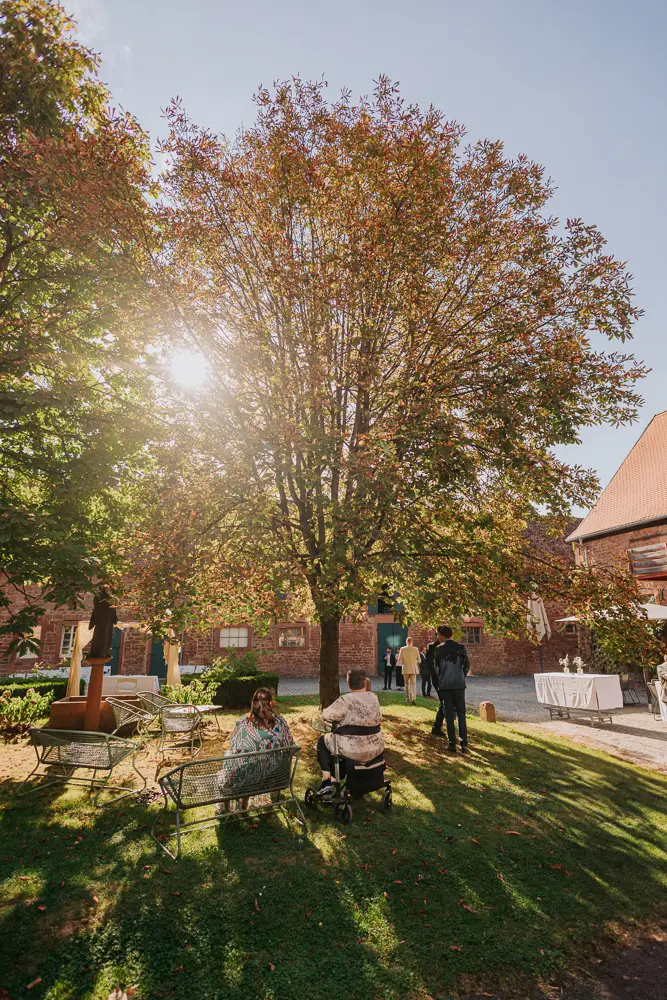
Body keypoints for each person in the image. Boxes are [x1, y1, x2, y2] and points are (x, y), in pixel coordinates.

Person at [217, 687, 293, 812]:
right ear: (271, 703)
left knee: (232, 757)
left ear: (253, 704)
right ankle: (246, 800)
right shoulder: (281, 722)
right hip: (276, 779)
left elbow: (234, 747)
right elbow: (290, 746)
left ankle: (230, 804)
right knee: (256, 763)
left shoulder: (244, 722)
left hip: (245, 783)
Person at [317, 669, 384, 794]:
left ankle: (327, 780)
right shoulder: (374, 697)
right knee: (337, 742)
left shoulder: (345, 700)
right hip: (375, 746)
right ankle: (335, 777)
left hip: (353, 748)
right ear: (365, 682)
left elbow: (326, 715)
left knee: (323, 741)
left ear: (348, 683)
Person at [430, 625, 470, 753]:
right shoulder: (460, 648)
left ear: (441, 636)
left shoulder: (439, 649)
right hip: (459, 685)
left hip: (445, 686)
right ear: (451, 635)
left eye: (438, 635)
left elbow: (437, 669)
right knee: (461, 714)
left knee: (448, 714)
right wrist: (461, 676)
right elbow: (467, 666)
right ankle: (463, 743)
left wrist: (442, 678)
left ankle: (452, 743)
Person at [397, 636, 421, 705]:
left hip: (406, 668)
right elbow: (419, 660)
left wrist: (404, 662)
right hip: (413, 669)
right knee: (414, 684)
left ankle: (407, 699)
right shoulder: (416, 649)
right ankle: (414, 698)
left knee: (407, 684)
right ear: (412, 642)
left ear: (406, 642)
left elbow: (399, 660)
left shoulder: (402, 649)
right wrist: (415, 662)